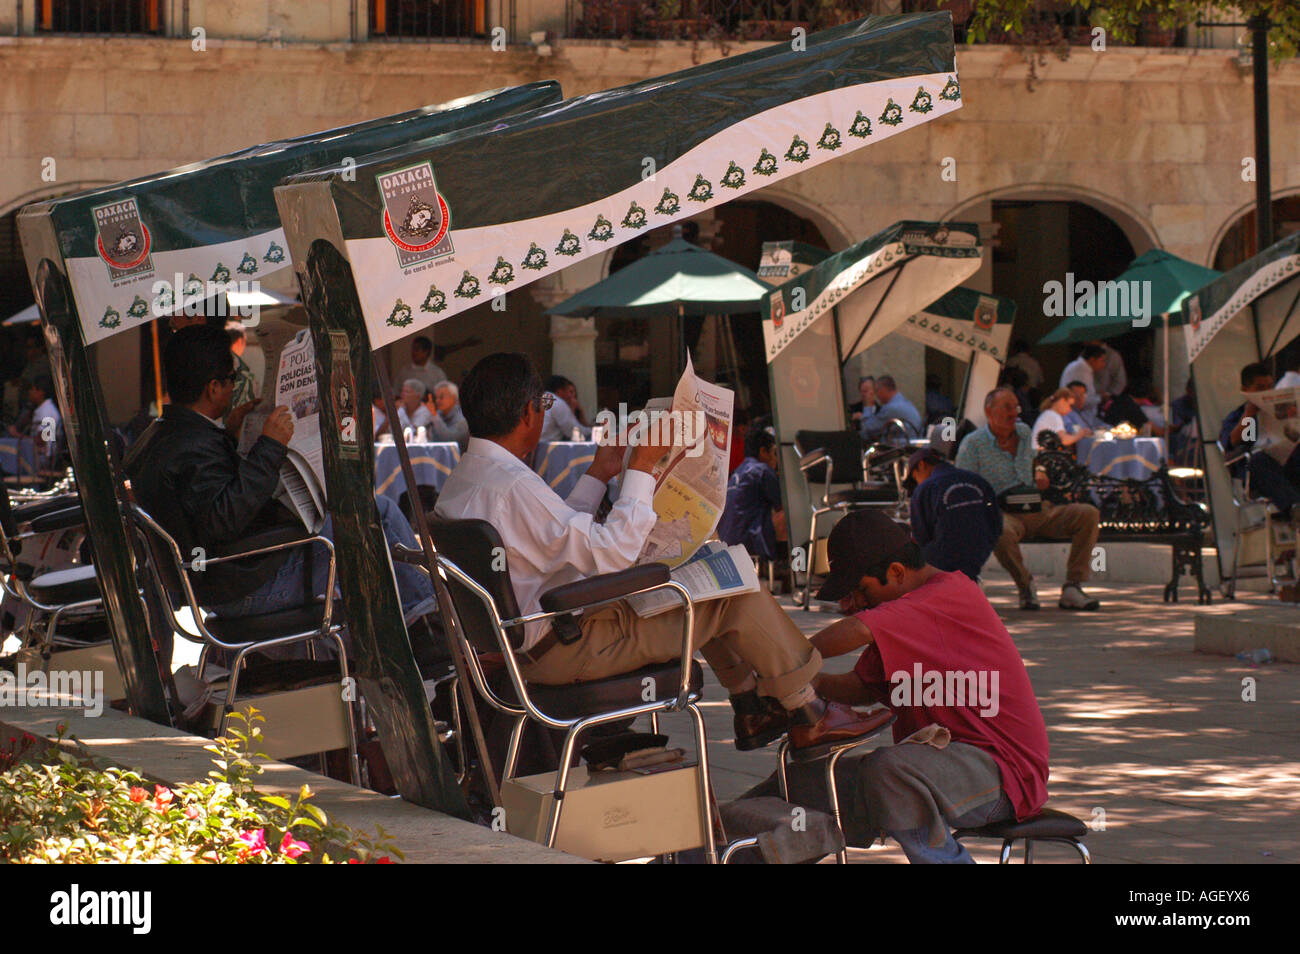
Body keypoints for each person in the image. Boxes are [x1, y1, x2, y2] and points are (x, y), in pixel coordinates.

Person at [435, 352, 892, 756]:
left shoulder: (471, 479)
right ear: (528, 413)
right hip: (567, 648)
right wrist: (640, 470)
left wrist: (601, 472)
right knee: (736, 590)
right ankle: (808, 712)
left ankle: (752, 705)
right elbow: (611, 554)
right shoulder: (513, 485)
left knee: (710, 570)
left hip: (536, 640)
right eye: (544, 405)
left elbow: (556, 539)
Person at [771, 511, 1049, 864]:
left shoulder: (947, 593)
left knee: (888, 770)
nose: (852, 603)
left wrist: (782, 660)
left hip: (1003, 773)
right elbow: (862, 687)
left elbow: (855, 630)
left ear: (897, 572)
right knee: (801, 782)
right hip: (940, 767)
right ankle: (712, 844)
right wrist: (814, 684)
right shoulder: (902, 616)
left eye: (861, 590)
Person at [123, 326, 436, 624]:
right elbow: (224, 520)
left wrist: (231, 438)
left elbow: (204, 501)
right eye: (231, 380)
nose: (234, 388)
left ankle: (406, 620)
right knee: (378, 513)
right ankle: (426, 619)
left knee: (356, 518)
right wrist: (269, 447)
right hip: (239, 585)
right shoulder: (192, 444)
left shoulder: (164, 435)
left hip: (216, 580)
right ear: (214, 387)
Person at [955, 387, 1101, 611]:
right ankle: (1025, 586)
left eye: (1016, 407)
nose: (1013, 413)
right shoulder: (973, 444)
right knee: (999, 530)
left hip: (1038, 508)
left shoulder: (1023, 432)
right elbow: (962, 485)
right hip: (1005, 513)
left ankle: (1073, 586)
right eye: (1006, 407)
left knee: (1087, 514)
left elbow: (1037, 461)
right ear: (988, 411)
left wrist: (1041, 472)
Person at [904, 448, 1001, 582]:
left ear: (921, 465)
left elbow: (921, 536)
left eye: (915, 478)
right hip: (977, 556)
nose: (917, 483)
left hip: (941, 565)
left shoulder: (924, 489)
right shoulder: (977, 480)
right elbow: (996, 522)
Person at [1221, 361, 1300, 518]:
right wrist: (1249, 414)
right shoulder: (1241, 415)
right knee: (1258, 460)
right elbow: (1235, 441)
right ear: (1246, 390)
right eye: (1260, 388)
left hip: (1289, 461)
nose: (1266, 391)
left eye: (1270, 386)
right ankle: (1294, 507)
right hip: (1260, 470)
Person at [717, 428, 785, 563]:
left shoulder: (738, 471)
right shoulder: (763, 470)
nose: (776, 459)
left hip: (726, 540)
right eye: (773, 453)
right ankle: (799, 569)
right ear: (763, 452)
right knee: (787, 516)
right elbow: (781, 505)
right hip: (747, 539)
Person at [861, 374, 922, 441]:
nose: (876, 395)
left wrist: (868, 406)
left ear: (883, 389)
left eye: (876, 391)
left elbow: (867, 428)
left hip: (903, 447)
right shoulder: (903, 401)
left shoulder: (891, 408)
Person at [1058, 345, 1108, 422]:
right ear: (1092, 359)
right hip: (1076, 416)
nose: (1104, 364)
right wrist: (1101, 398)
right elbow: (1084, 399)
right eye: (1102, 361)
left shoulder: (1080, 367)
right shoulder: (1081, 370)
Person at [539, 374, 592, 442]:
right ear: (560, 391)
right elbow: (573, 431)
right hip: (546, 447)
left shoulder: (540, 398)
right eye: (569, 391)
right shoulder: (557, 402)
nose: (571, 396)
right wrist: (594, 431)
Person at [425, 380, 470, 449]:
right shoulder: (439, 413)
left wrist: (434, 415)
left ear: (454, 398)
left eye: (441, 397)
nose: (437, 401)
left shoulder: (463, 417)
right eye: (436, 397)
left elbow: (449, 439)